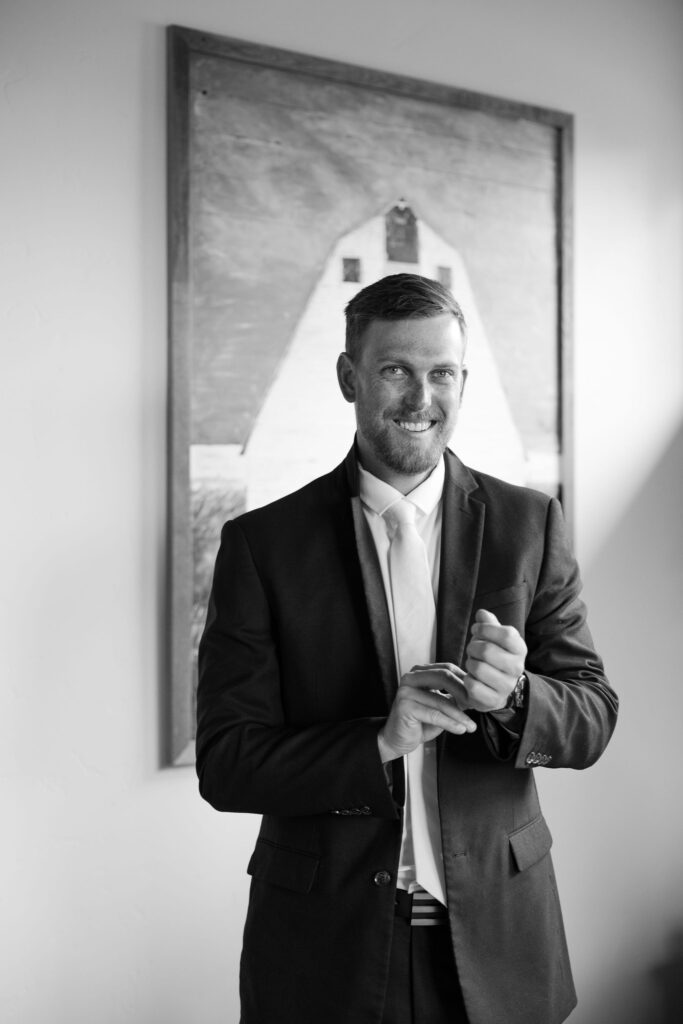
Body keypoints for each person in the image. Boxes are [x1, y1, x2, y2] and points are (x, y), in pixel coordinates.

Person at [196, 273, 618, 1024]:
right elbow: (227, 763)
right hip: (323, 952)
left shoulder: (531, 525)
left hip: (502, 943)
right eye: (395, 369)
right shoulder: (262, 546)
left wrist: (516, 700)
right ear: (348, 376)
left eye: (442, 373)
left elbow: (591, 716)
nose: (421, 397)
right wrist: (378, 740)